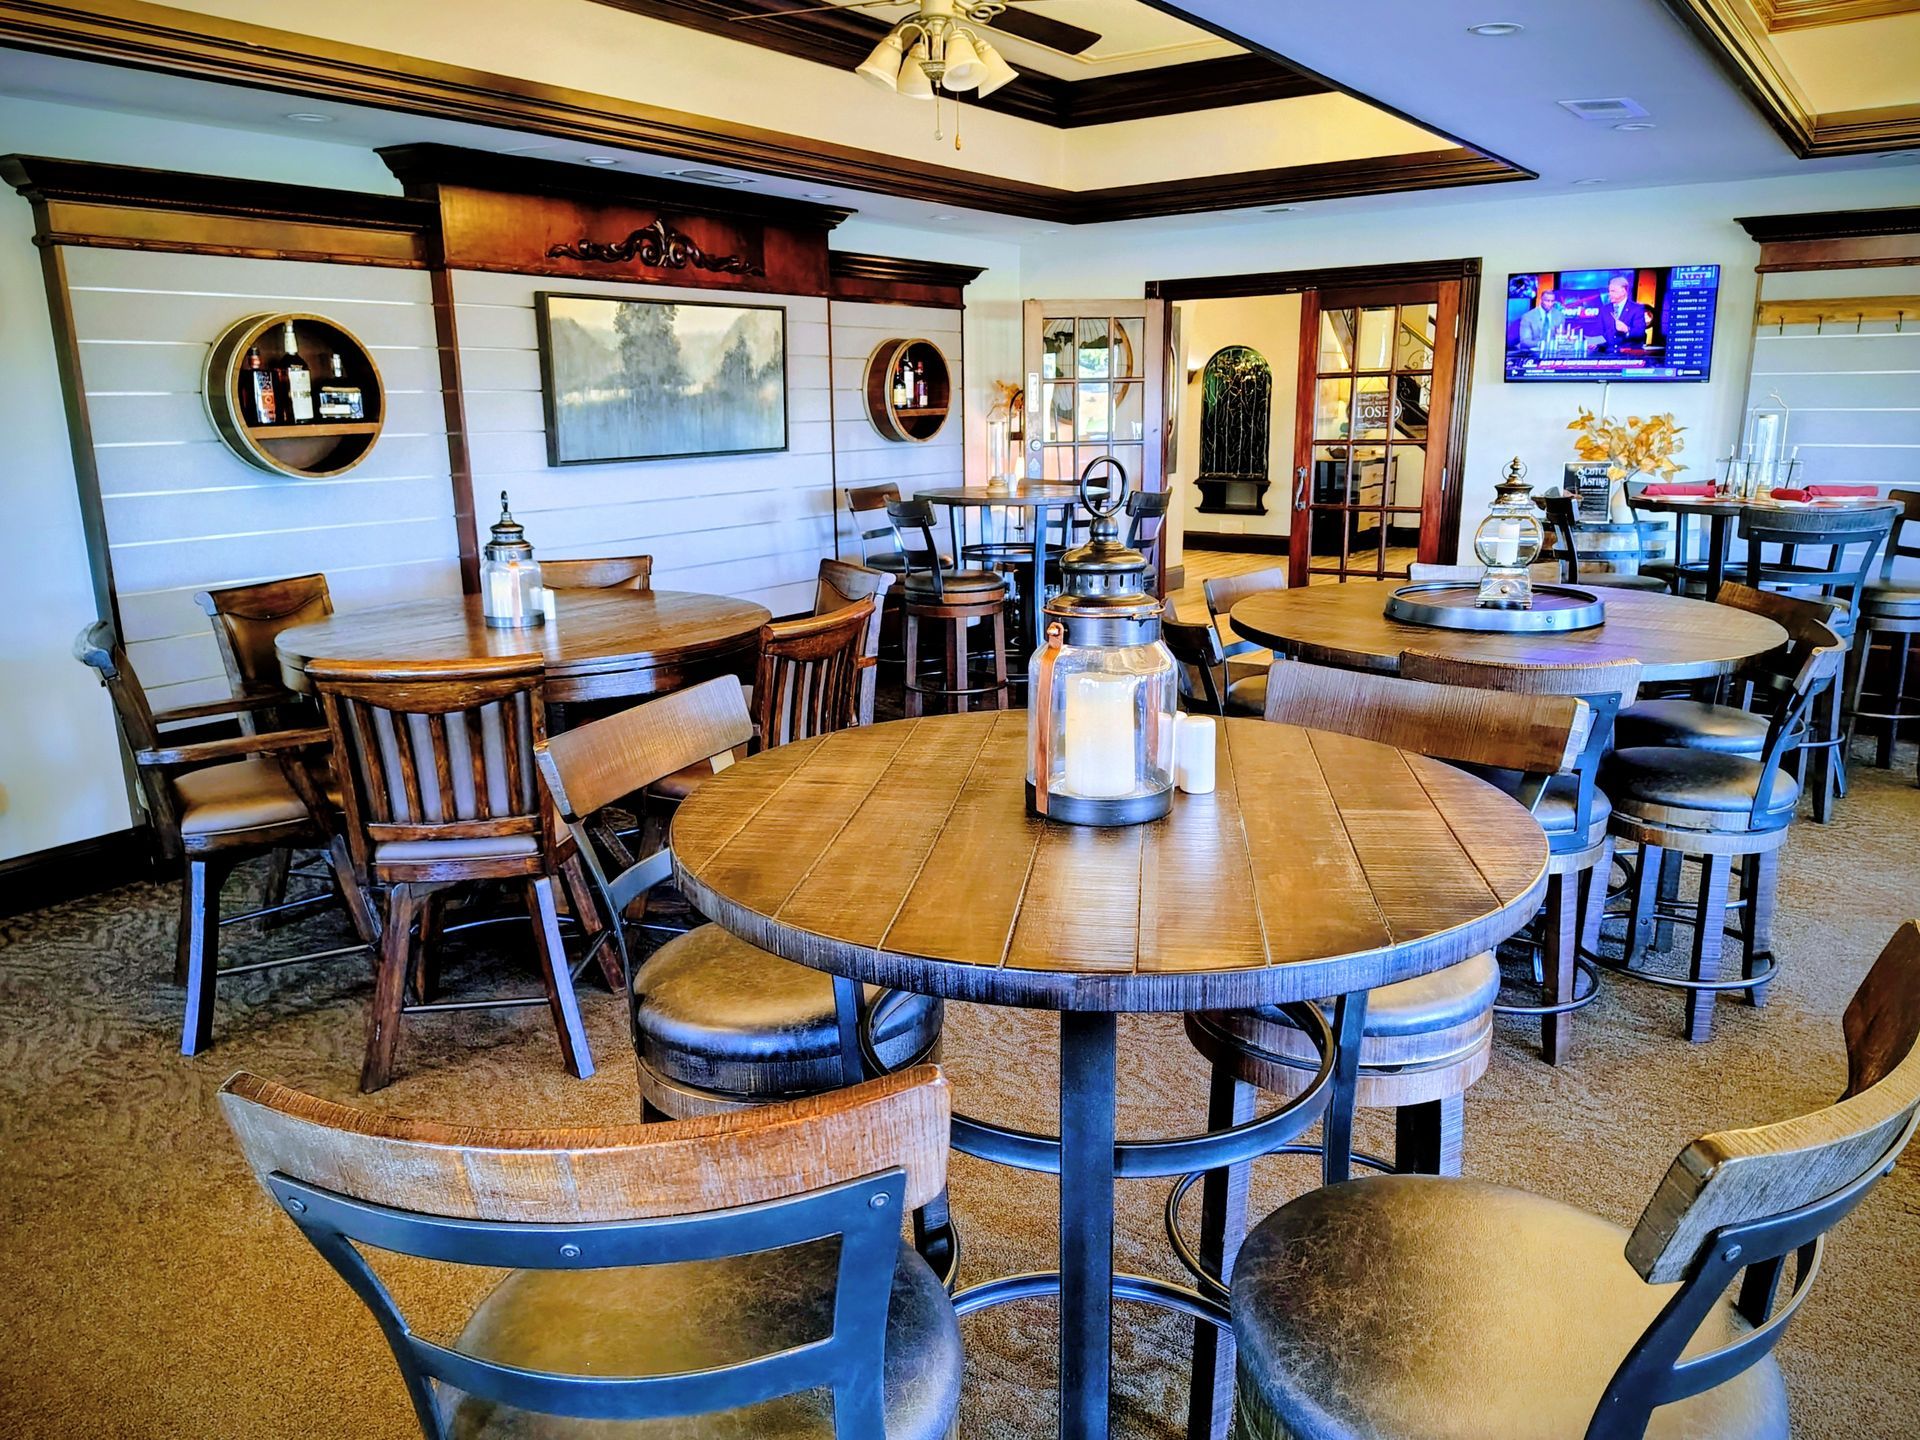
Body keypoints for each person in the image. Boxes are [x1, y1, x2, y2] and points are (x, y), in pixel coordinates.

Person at [1593, 274, 1651, 351]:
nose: (1609, 294)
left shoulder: (1637, 309)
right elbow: (1599, 332)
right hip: (1608, 354)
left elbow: (1640, 333)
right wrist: (1595, 343)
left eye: (1613, 291)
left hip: (1628, 355)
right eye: (1609, 291)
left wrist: (1627, 329)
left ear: (1623, 291)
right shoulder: (1605, 309)